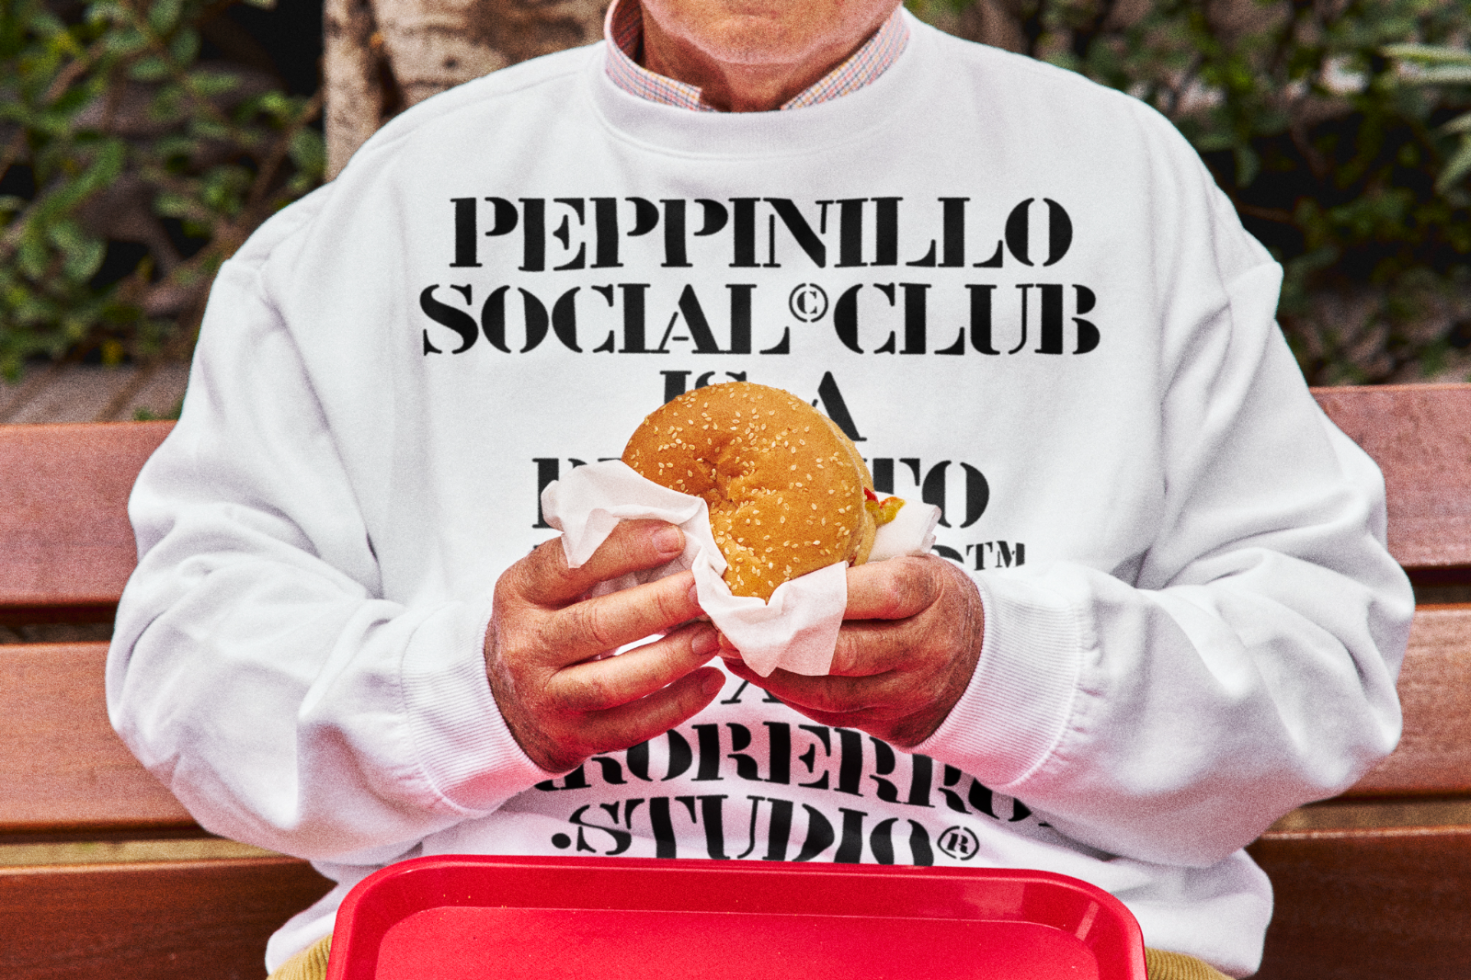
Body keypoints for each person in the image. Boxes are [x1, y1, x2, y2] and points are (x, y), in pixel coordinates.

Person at [105, 0, 1413, 977]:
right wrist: (474, 694)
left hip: (1023, 930)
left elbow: (1319, 656)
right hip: (491, 930)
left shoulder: (1116, 184)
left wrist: (1004, 671)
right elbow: (191, 662)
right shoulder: (396, 209)